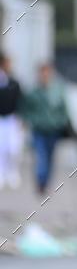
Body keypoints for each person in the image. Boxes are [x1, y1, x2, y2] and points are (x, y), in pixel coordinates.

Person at [22, 63, 70, 195]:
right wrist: (29, 120)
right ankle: (40, 183)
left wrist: (64, 123)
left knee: (50, 158)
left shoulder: (58, 90)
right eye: (42, 73)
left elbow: (64, 109)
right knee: (41, 156)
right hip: (39, 129)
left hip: (54, 130)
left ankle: (46, 182)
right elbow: (25, 109)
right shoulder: (33, 92)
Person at [0, 52, 22, 190]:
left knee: (13, 148)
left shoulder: (14, 82)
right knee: (1, 148)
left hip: (12, 119)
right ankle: (1, 173)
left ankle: (12, 171)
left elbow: (20, 100)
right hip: (0, 119)